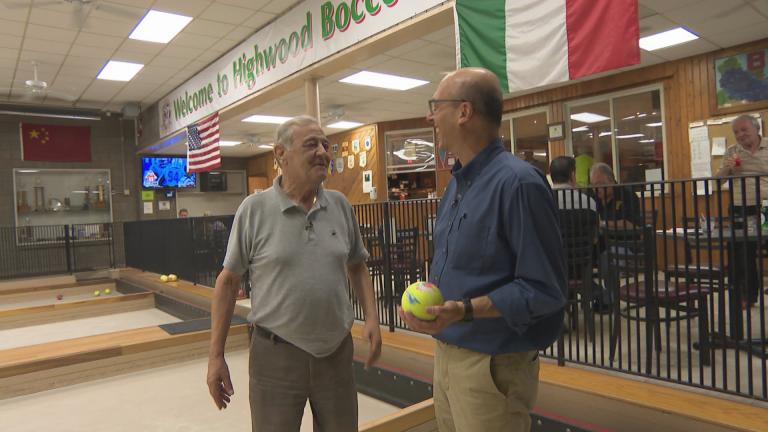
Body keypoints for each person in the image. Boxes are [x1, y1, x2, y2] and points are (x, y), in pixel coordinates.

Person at [399, 67, 567, 432]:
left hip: (492, 365)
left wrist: (464, 310)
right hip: (447, 355)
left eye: (435, 106)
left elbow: (544, 289)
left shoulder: (519, 183)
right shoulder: (457, 184)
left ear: (464, 112)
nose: (430, 117)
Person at [206, 115, 382, 432]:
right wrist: (215, 356)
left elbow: (357, 264)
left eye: (326, 145)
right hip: (275, 356)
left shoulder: (341, 206)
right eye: (311, 144)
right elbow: (228, 282)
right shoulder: (254, 210)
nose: (323, 152)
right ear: (280, 154)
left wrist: (372, 317)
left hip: (336, 353)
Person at [715, 114, 768, 308]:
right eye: (736, 132)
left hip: (766, 205)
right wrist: (726, 169)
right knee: (741, 252)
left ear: (756, 129)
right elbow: (718, 181)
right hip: (740, 206)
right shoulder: (732, 151)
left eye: (744, 129)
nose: (740, 135)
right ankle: (746, 296)